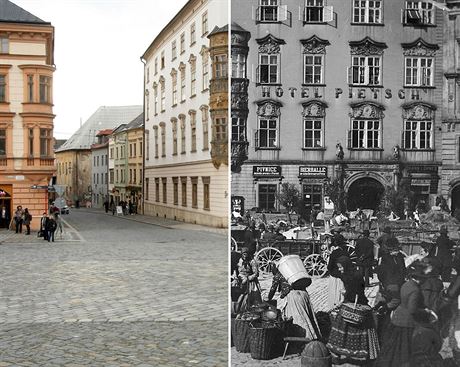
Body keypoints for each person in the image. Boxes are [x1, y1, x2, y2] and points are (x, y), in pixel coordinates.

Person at [327, 256, 379, 365]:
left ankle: (337, 355)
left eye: (341, 267)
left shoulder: (347, 277)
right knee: (365, 333)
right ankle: (364, 357)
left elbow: (351, 292)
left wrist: (344, 293)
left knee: (340, 332)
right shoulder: (357, 274)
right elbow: (361, 289)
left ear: (345, 266)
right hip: (362, 305)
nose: (340, 270)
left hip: (351, 306)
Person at [376, 260, 429, 367]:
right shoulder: (415, 290)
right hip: (407, 322)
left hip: (397, 318)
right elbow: (412, 309)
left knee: (394, 346)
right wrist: (425, 311)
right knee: (405, 349)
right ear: (420, 279)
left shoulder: (406, 284)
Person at [281, 275, 321, 340]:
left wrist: (269, 298)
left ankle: (304, 338)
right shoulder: (296, 270)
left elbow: (275, 288)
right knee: (307, 315)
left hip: (294, 297)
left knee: (297, 318)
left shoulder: (281, 272)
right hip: (304, 294)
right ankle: (313, 336)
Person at [235, 247, 262, 313]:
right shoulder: (240, 260)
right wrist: (237, 277)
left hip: (250, 282)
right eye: (243, 254)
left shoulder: (252, 261)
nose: (245, 255)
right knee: (239, 296)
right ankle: (237, 310)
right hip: (241, 280)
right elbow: (238, 270)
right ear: (241, 254)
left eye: (246, 254)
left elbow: (256, 274)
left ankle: (250, 311)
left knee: (252, 297)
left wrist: (247, 279)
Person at [327, 235, 349, 310]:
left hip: (334, 277)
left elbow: (329, 267)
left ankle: (333, 308)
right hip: (343, 277)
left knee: (334, 294)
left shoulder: (334, 253)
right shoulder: (346, 253)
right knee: (342, 295)